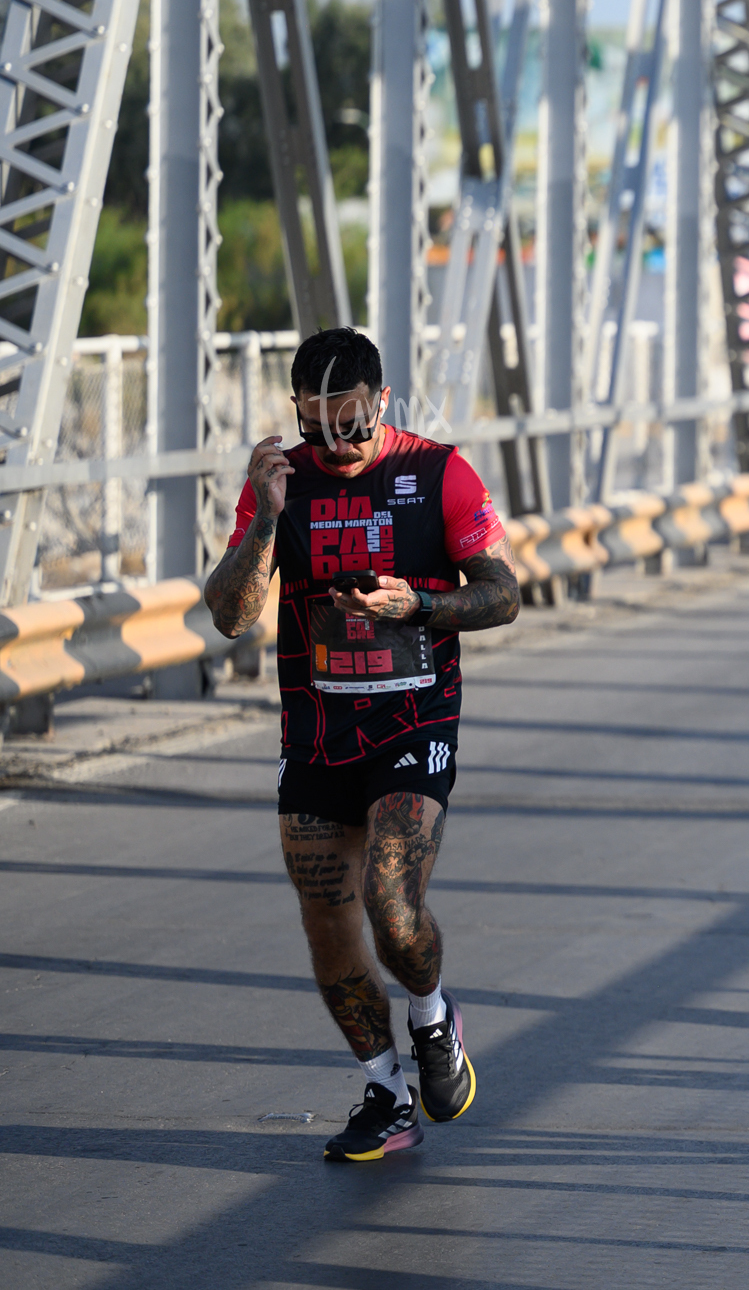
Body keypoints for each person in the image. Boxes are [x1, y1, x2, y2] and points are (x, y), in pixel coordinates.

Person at [203, 328, 522, 1161]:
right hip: (315, 724)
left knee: (390, 898)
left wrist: (415, 604)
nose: (336, 444)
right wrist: (264, 519)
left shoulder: (437, 472)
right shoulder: (282, 482)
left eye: (352, 423)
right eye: (317, 426)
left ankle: (431, 1015)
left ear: (383, 402)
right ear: (297, 414)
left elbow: (502, 594)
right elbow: (232, 613)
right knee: (327, 923)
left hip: (414, 718)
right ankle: (385, 1088)